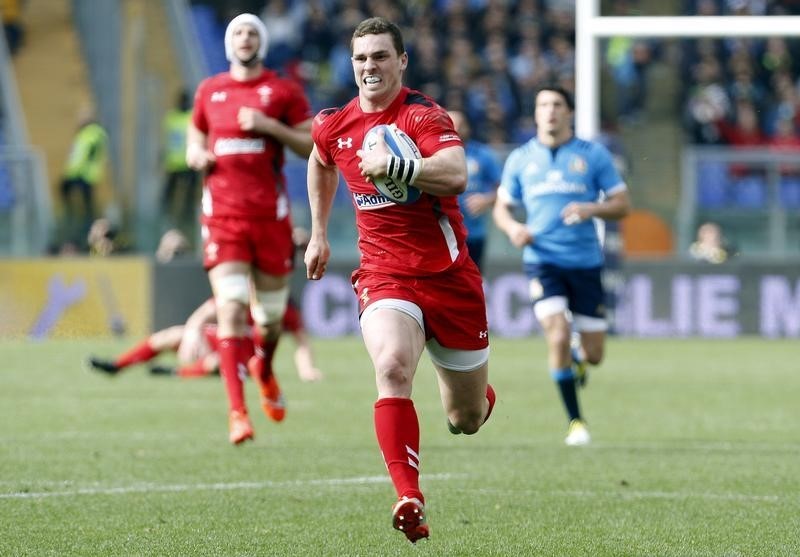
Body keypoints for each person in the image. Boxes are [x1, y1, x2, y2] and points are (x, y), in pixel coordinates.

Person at [304, 17, 496, 544]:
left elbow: (456, 174)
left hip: (449, 278)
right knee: (390, 367)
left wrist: (398, 166)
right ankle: (409, 495)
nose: (371, 67)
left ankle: (478, 398)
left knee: (465, 419)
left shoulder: (422, 116)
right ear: (352, 64)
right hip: (385, 274)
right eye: (362, 58)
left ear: (402, 61)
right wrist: (319, 232)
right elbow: (320, 160)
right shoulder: (334, 124)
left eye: (381, 57)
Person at [186, 13, 314, 445]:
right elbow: (195, 133)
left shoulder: (282, 91)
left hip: (270, 218)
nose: (244, 38)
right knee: (232, 308)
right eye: (238, 32)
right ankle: (237, 412)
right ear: (229, 43)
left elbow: (309, 142)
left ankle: (264, 366)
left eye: (252, 32)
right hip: (222, 218)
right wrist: (194, 154)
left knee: (271, 319)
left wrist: (269, 127)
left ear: (261, 42)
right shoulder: (210, 90)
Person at [493, 84, 631, 447]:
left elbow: (622, 203)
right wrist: (513, 229)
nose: (550, 111)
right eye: (542, 105)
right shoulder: (521, 158)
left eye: (556, 105)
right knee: (555, 332)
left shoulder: (593, 155)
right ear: (535, 114)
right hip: (543, 262)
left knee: (595, 355)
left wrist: (591, 209)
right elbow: (502, 207)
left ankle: (577, 359)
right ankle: (575, 421)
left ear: (569, 112)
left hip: (585, 264)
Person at [87, 297, 323, 382]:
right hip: (219, 340)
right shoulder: (236, 293)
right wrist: (193, 336)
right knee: (169, 336)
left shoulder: (282, 306)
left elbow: (302, 341)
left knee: (217, 363)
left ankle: (173, 374)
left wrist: (307, 369)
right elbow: (200, 316)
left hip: (249, 357)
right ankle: (117, 366)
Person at [447, 110, 502, 272]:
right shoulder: (431, 155)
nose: (455, 129)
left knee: (472, 280)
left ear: (468, 128)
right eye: (450, 124)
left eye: (460, 125)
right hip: (443, 232)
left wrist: (487, 199)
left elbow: (503, 189)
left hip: (474, 233)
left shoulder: (483, 155)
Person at [59, 107, 109, 250]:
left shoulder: (92, 133)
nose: (80, 119)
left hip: (83, 175)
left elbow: (85, 155)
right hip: (81, 174)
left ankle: (84, 231)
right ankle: (81, 227)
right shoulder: (88, 133)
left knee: (86, 207)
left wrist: (74, 173)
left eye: (82, 116)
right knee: (85, 205)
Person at [161, 89, 200, 238]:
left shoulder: (188, 116)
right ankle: (170, 220)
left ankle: (185, 221)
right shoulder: (176, 117)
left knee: (187, 198)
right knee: (168, 198)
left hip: (188, 163)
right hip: (176, 163)